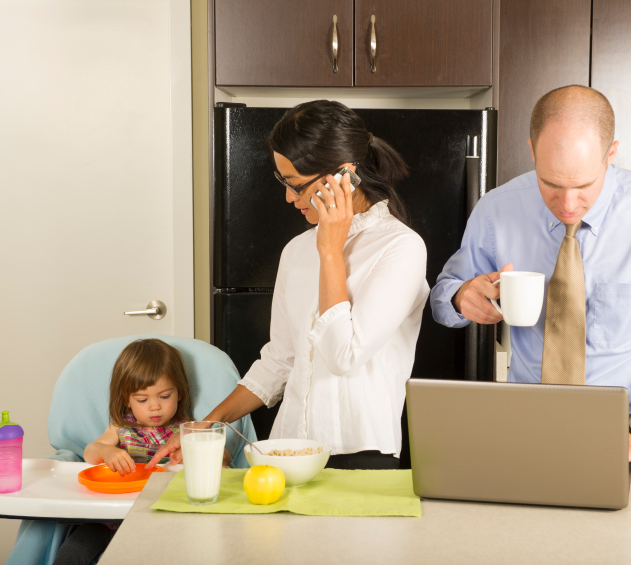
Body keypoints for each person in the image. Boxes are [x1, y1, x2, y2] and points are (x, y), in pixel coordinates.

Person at [431, 85, 631, 472]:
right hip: (524, 436)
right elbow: (443, 296)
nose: (567, 205)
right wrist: (460, 297)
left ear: (611, 153)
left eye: (584, 186)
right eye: (551, 184)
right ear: (532, 150)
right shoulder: (496, 209)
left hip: (628, 439)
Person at [150, 100, 429, 471]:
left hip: (361, 455)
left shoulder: (401, 248)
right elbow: (280, 359)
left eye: (296, 185)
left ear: (345, 175)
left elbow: (343, 355)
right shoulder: (296, 251)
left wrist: (330, 250)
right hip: (286, 449)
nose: (288, 198)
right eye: (283, 182)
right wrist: (209, 426)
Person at [53, 338, 193, 565]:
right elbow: (90, 451)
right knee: (70, 555)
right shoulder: (121, 428)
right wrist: (107, 451)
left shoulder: (186, 431)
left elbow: (222, 458)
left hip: (157, 520)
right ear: (127, 400)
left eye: (165, 396)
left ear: (180, 393)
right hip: (107, 521)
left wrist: (192, 452)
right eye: (142, 399)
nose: (154, 406)